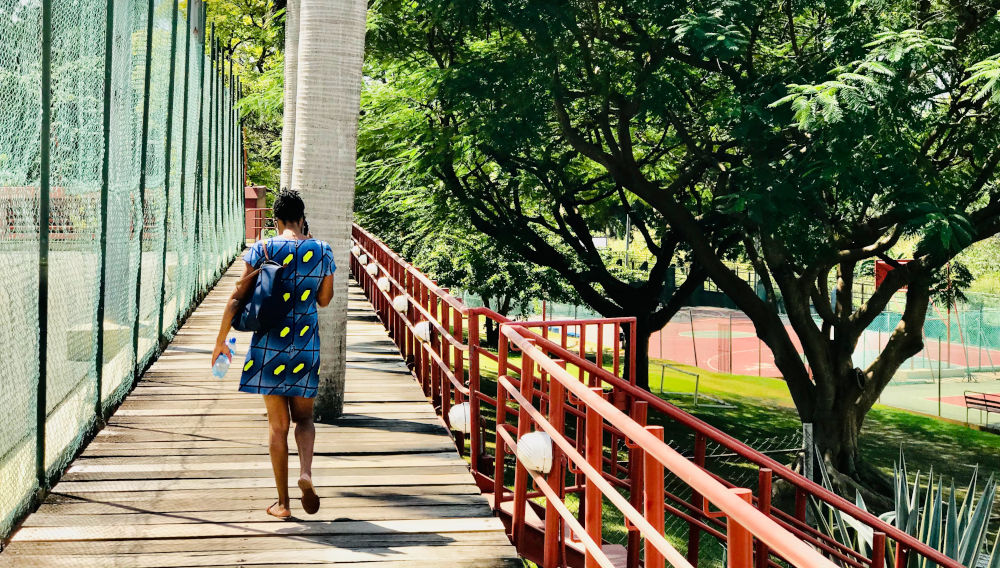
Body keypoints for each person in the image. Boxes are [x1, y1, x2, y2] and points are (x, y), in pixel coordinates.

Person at [212, 189, 335, 519]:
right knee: (305, 418)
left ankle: (283, 504)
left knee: (277, 427)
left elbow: (237, 299)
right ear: (302, 216)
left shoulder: (262, 249)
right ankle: (306, 472)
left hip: (269, 349)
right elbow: (324, 300)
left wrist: (221, 342)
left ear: (276, 219)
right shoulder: (322, 250)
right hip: (306, 346)